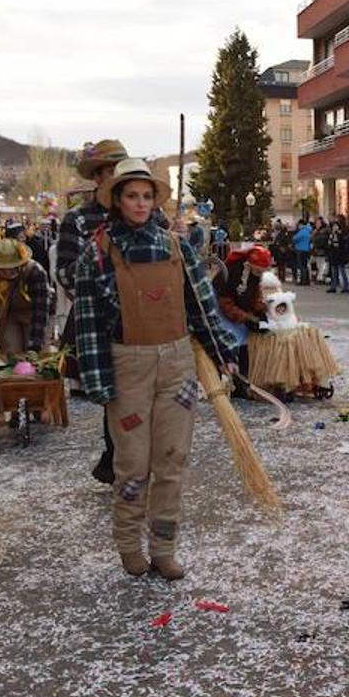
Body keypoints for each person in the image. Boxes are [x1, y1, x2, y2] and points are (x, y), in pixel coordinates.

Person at [73, 158, 239, 580]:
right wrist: (97, 381)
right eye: (132, 196)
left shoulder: (176, 247)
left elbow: (202, 307)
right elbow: (88, 324)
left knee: (172, 460)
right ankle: (130, 545)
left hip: (177, 365)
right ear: (118, 200)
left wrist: (222, 351)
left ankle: (164, 547)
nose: (141, 203)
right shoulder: (97, 253)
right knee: (132, 464)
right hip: (128, 367)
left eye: (147, 196)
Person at [56, 139, 130, 482]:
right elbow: (64, 273)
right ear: (98, 177)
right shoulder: (77, 219)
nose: (116, 176)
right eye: (109, 171)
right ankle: (117, 461)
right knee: (113, 396)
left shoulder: (146, 211)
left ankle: (127, 462)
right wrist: (100, 264)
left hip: (147, 320)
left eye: (120, 169)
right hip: (99, 320)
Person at [0, 238, 51, 362]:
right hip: (7, 312)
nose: (8, 272)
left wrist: (35, 346)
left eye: (12, 267)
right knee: (10, 356)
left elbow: (40, 311)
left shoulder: (35, 271)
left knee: (38, 359)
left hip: (35, 314)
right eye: (3, 268)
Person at [213, 245, 272, 397]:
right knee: (231, 339)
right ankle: (228, 382)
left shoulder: (254, 275)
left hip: (236, 307)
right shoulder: (231, 273)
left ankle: (243, 381)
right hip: (222, 306)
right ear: (250, 264)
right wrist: (246, 318)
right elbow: (226, 303)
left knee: (245, 340)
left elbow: (255, 293)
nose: (260, 274)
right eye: (258, 270)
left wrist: (260, 310)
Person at [291, 219, 312, 285]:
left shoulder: (302, 231)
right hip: (306, 250)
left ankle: (303, 280)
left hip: (300, 250)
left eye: (299, 225)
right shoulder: (308, 231)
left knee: (301, 266)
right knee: (305, 266)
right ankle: (307, 280)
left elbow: (295, 238)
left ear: (301, 225)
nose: (298, 226)